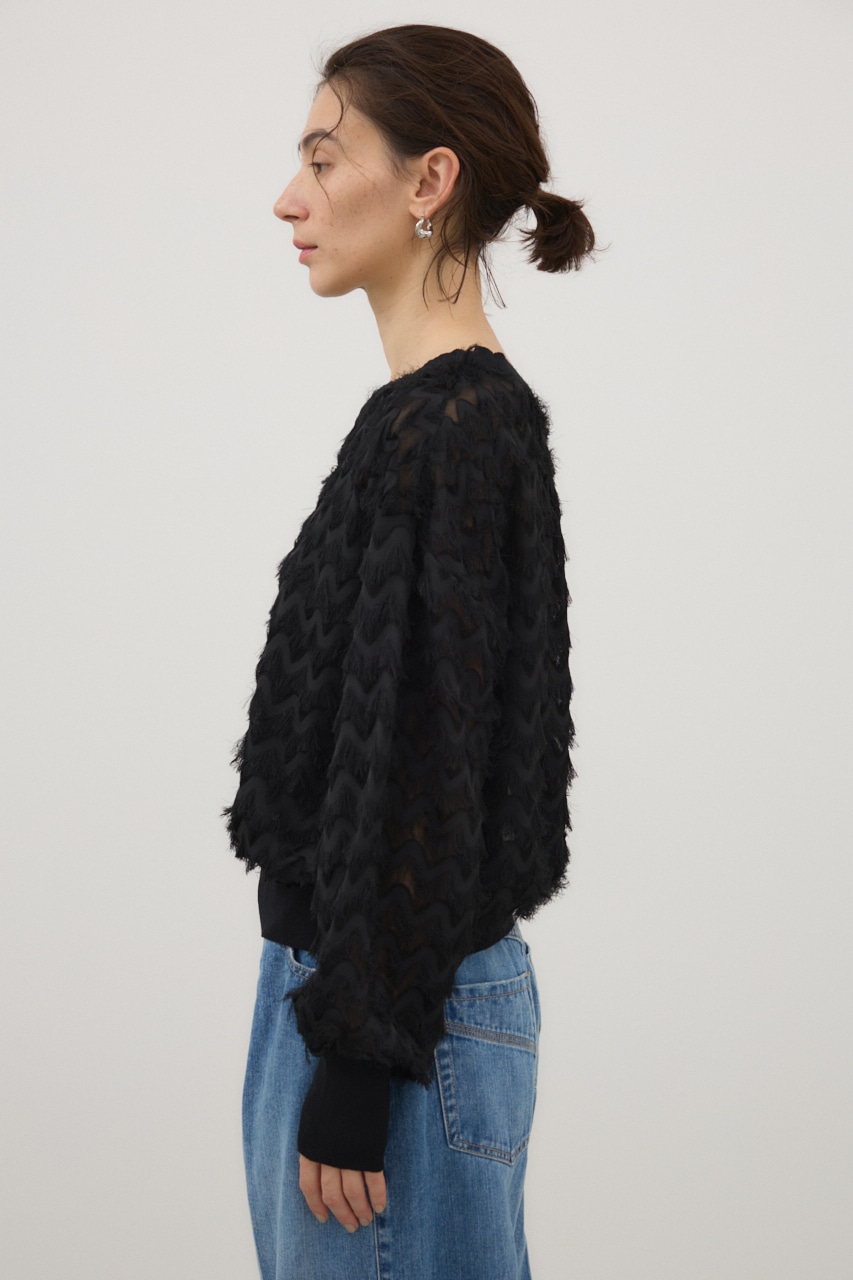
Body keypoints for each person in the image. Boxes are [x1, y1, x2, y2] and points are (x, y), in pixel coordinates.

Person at [222, 22, 597, 1280]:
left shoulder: (452, 429)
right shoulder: (435, 420)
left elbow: (431, 761)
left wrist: (355, 1054)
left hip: (389, 1014)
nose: (290, 197)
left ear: (429, 179)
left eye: (323, 160)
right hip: (371, 997)